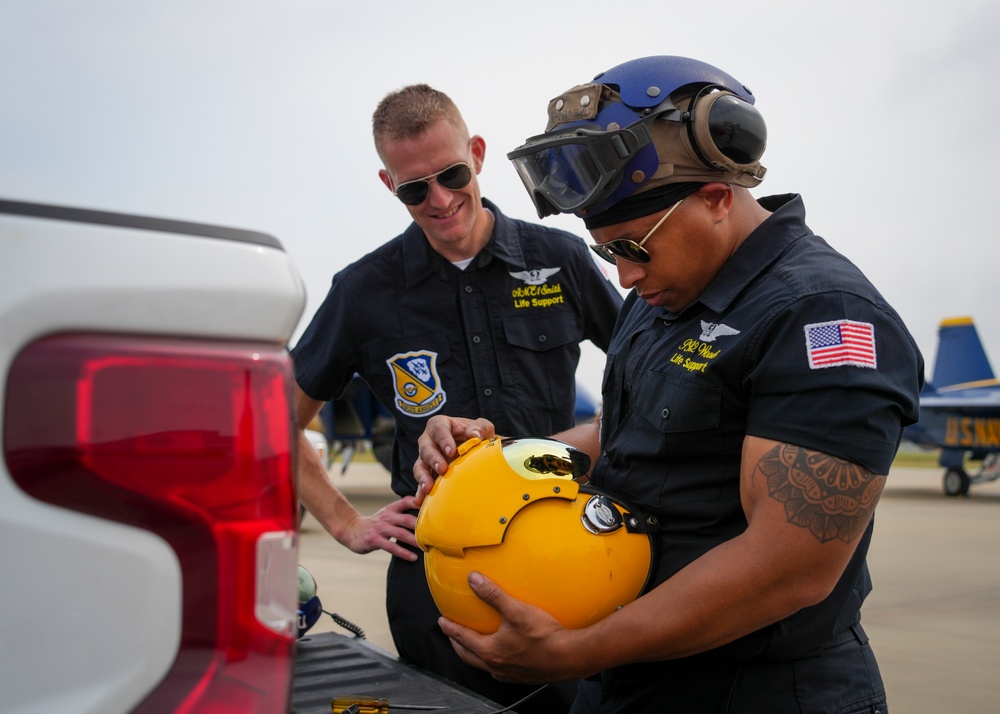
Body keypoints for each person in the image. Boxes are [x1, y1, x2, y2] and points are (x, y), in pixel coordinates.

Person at [413, 56, 924, 713]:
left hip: (760, 692)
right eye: (606, 252)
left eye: (631, 247)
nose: (623, 277)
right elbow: (622, 438)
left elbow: (789, 566)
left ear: (715, 198)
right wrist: (500, 451)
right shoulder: (666, 294)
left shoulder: (823, 315)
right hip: (638, 674)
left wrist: (580, 650)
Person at [291, 83, 623, 711]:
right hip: (433, 574)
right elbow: (272, 420)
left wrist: (599, 438)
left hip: (565, 556)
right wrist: (345, 522)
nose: (440, 200)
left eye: (451, 175)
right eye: (416, 188)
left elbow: (654, 368)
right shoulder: (363, 291)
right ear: (390, 184)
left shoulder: (561, 259)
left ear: (476, 153)